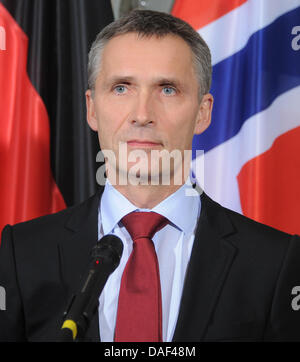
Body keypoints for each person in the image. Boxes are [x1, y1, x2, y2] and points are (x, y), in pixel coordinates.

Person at [1, 9, 300, 342]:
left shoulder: (274, 263)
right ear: (91, 109)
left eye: (167, 89)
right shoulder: (21, 254)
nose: (142, 115)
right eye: (121, 88)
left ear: (203, 113)